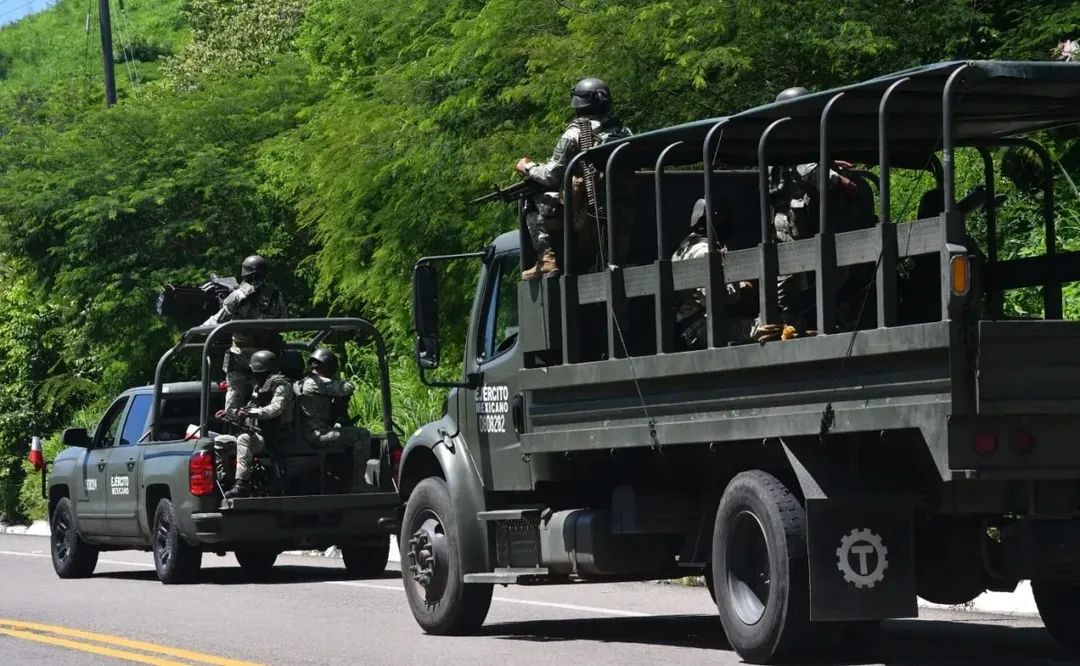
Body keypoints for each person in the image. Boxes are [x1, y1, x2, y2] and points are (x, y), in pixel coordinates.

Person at [758, 86, 858, 339]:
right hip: (790, 219)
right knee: (790, 272)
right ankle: (781, 319)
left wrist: (831, 163)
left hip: (803, 219)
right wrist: (838, 180)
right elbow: (805, 168)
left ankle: (809, 314)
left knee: (833, 271)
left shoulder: (791, 134)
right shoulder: (784, 136)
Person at [515, 77, 632, 280]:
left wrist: (528, 167)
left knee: (530, 203)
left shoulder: (575, 133)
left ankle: (546, 260)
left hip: (587, 212)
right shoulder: (624, 132)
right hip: (623, 208)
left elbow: (551, 175)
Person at [203, 255, 288, 411]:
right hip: (267, 354)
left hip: (240, 353)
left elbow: (217, 321)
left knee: (234, 390)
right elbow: (283, 321)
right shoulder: (275, 295)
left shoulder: (238, 295)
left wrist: (197, 330)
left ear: (245, 272)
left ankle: (232, 422)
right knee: (265, 391)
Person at [672, 199, 755, 349]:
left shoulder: (683, 249)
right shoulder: (703, 252)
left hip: (691, 327)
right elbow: (714, 297)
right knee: (768, 327)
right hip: (701, 329)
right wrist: (741, 287)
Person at [219, 350, 294, 499]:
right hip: (263, 434)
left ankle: (241, 485)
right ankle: (224, 481)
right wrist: (232, 413)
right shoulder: (260, 386)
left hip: (278, 437)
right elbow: (249, 407)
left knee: (244, 439)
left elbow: (276, 409)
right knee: (220, 442)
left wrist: (253, 413)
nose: (254, 375)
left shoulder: (281, 385)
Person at [294, 348, 364, 448]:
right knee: (362, 434)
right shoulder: (315, 383)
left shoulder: (304, 381)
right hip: (317, 435)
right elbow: (347, 388)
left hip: (311, 432)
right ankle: (360, 464)